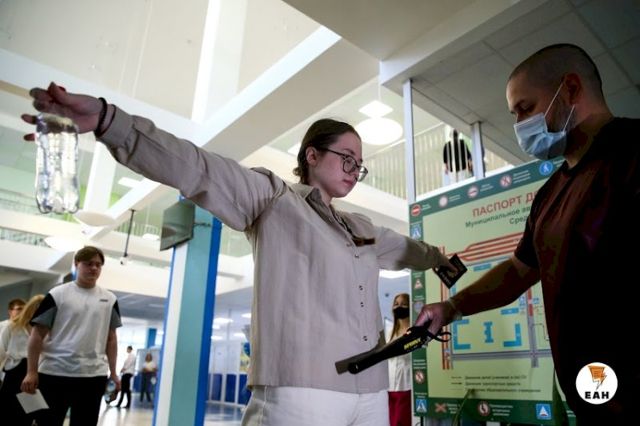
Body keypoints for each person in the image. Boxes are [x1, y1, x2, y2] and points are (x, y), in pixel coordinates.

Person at [21, 83, 455, 426]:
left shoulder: (362, 228)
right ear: (312, 154)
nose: (354, 171)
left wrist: (440, 258)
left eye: (359, 165)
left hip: (372, 391)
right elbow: (196, 167)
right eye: (347, 158)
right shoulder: (274, 198)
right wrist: (108, 121)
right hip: (302, 390)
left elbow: (409, 249)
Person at [417, 43, 640, 425]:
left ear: (570, 89)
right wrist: (451, 308)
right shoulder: (549, 197)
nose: (520, 124)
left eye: (525, 108)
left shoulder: (633, 153)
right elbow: (519, 271)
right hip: (594, 401)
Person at [21, 246, 122, 426]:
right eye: (88, 263)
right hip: (54, 373)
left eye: (98, 265)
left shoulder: (110, 299)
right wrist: (31, 371)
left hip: (93, 376)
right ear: (77, 264)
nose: (94, 268)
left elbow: (111, 338)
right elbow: (36, 335)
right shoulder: (57, 294)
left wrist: (114, 373)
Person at [0, 294, 44, 425]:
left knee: (28, 415)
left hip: (35, 372)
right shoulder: (11, 326)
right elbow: (1, 351)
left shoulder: (45, 329)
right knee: (8, 413)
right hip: (14, 373)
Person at [387, 293, 412, 426]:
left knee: (403, 419)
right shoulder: (390, 331)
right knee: (392, 421)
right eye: (396, 304)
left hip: (407, 383)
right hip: (390, 385)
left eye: (403, 304)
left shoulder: (415, 330)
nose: (399, 307)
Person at [0, 298, 25, 388]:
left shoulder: (25, 329)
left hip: (21, 367)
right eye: (19, 309)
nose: (22, 312)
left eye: (24, 309)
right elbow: (1, 350)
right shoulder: (3, 326)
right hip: (7, 366)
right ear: (10, 311)